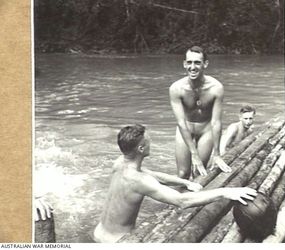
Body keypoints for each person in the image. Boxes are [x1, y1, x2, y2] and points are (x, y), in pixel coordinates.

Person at [93, 124, 257, 243]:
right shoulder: (140, 181)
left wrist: (184, 182)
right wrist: (225, 192)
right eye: (149, 140)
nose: (152, 142)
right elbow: (181, 201)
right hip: (118, 242)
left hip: (98, 233)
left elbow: (153, 174)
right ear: (141, 149)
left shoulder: (120, 163)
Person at [169, 46, 231, 179]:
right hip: (185, 128)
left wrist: (217, 154)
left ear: (205, 64)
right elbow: (180, 122)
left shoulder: (216, 88)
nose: (192, 67)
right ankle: (180, 199)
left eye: (197, 62)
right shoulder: (176, 88)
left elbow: (216, 122)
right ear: (184, 64)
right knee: (182, 174)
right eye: (189, 62)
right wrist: (194, 154)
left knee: (199, 173)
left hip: (206, 129)